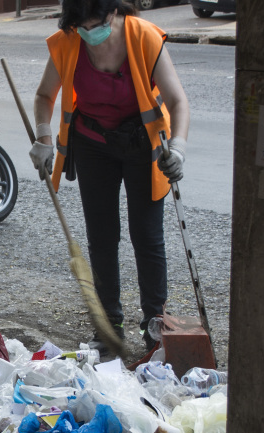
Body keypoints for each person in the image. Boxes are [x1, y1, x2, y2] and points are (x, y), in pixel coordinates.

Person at [30, 0, 189, 353]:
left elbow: (178, 101)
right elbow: (44, 95)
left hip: (142, 144)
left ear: (113, 12)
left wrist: (177, 147)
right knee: (101, 238)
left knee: (147, 237)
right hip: (92, 144)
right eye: (81, 27)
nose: (89, 33)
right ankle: (109, 327)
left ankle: (154, 327)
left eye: (95, 25)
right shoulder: (69, 39)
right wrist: (43, 140)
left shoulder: (144, 37)